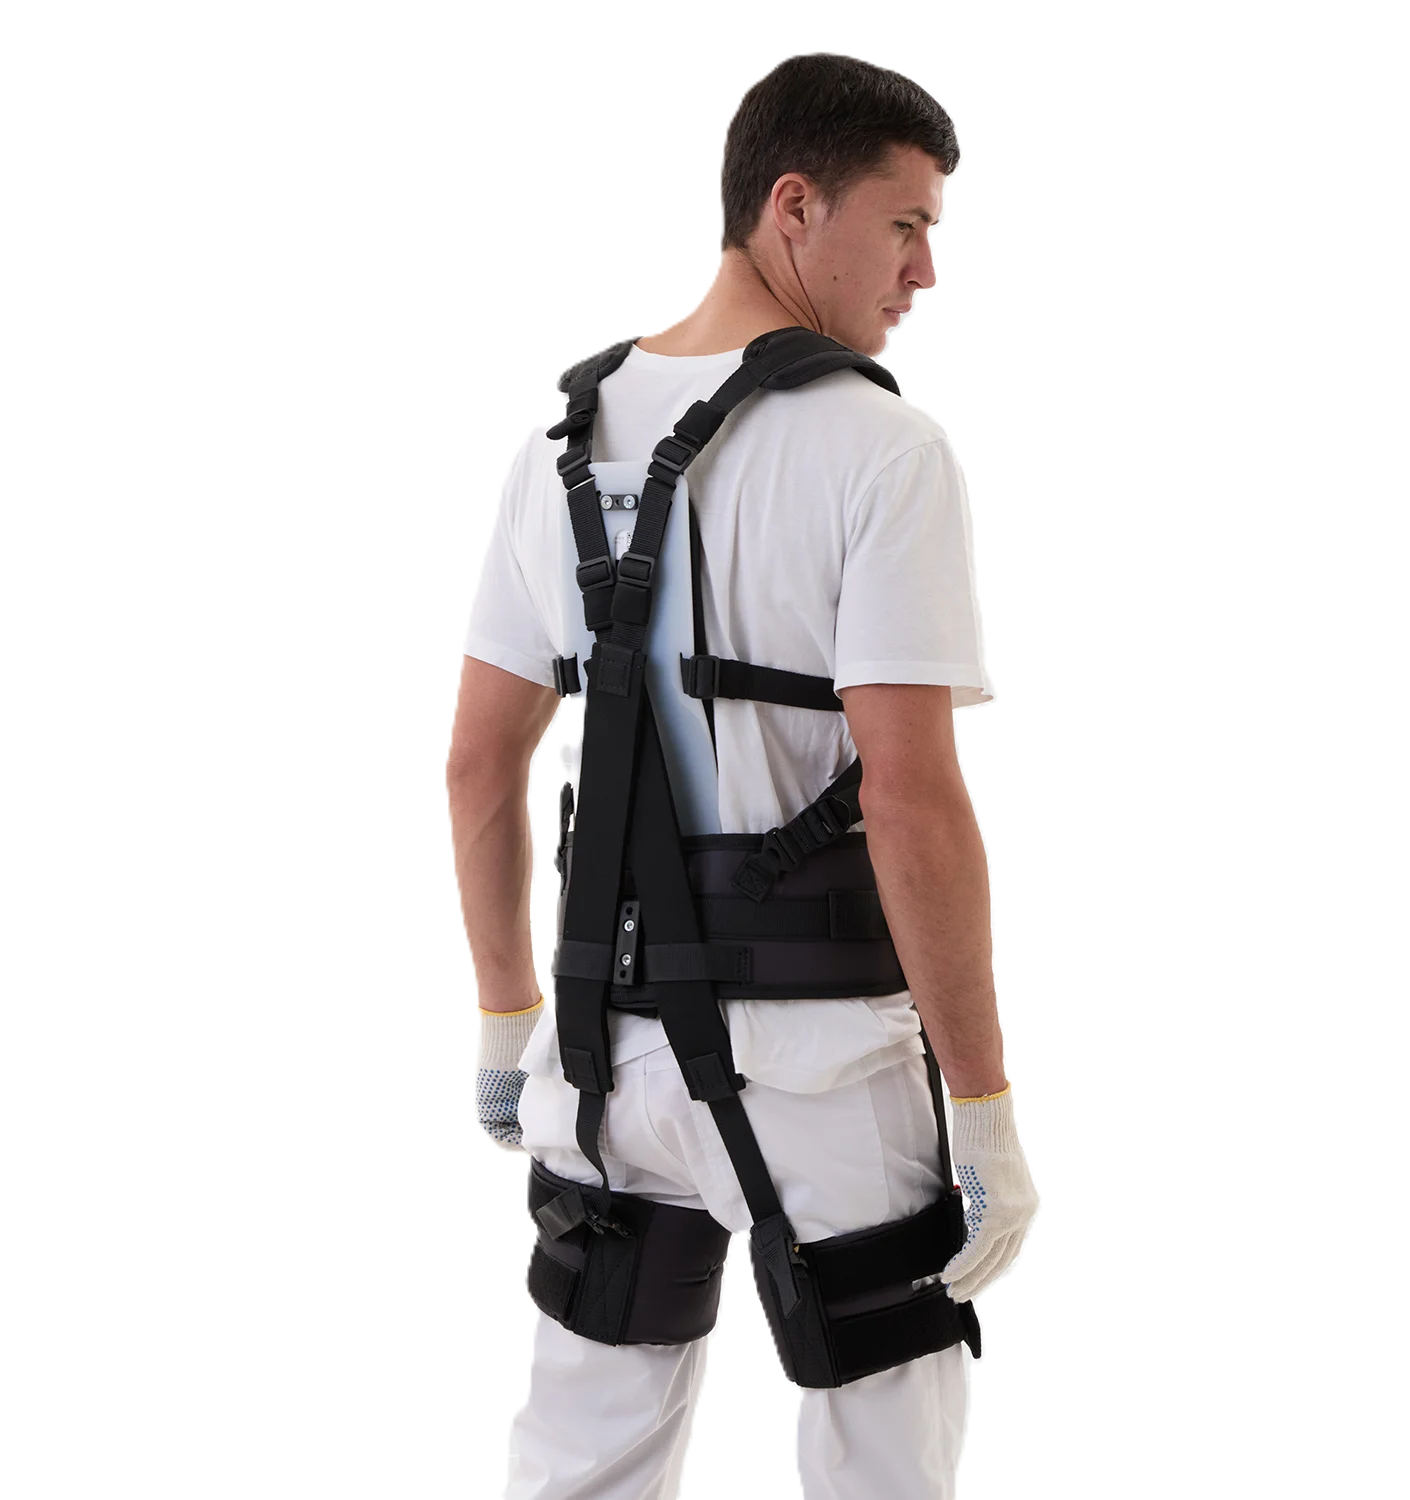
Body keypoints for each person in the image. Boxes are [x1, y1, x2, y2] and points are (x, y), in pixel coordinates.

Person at [446, 52, 1039, 1500]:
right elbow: (910, 800)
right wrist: (983, 1104)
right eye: (907, 225)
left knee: (581, 1461)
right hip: (820, 1073)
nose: (926, 272)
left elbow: (476, 765)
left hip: (604, 1067)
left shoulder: (557, 448)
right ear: (795, 204)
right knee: (885, 1458)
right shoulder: (882, 452)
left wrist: (509, 1026)